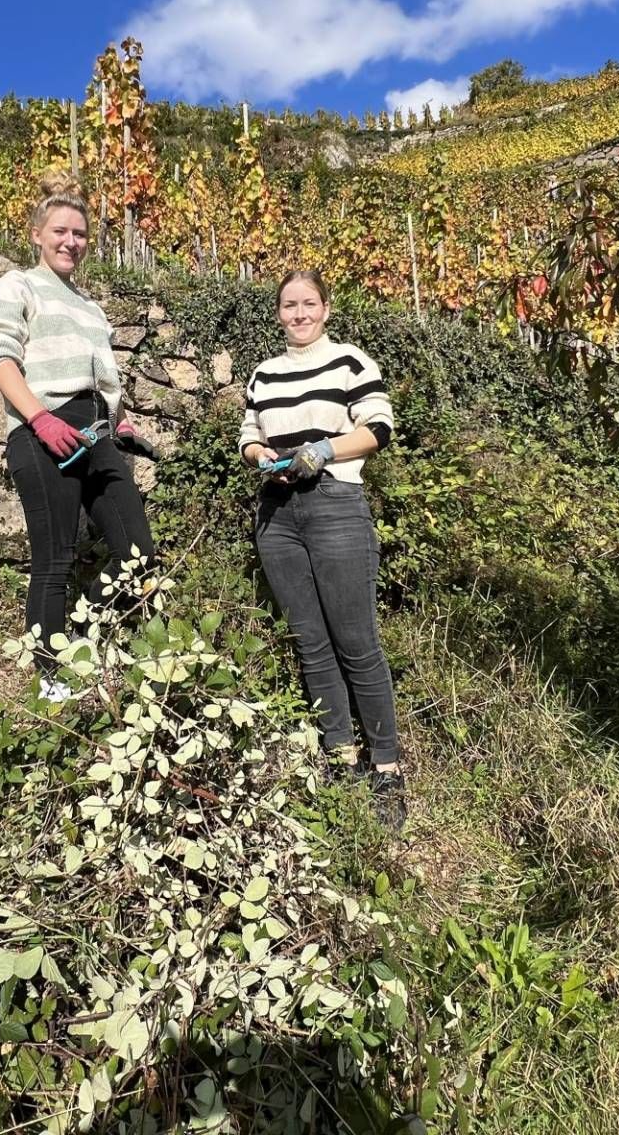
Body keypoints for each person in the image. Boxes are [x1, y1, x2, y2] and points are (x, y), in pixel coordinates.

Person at [238, 270, 406, 832]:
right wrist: (261, 455)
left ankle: (387, 767)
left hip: (335, 502)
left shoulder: (351, 363)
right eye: (289, 305)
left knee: (357, 643)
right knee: (310, 642)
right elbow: (249, 434)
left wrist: (324, 450)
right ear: (279, 312)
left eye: (309, 303)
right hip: (277, 512)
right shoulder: (264, 373)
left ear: (326, 309)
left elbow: (378, 428)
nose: (300, 313)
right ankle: (341, 758)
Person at [0, 178, 155, 701]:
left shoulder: (92, 308)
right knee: (55, 557)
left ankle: (80, 636)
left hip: (96, 433)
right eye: (60, 230)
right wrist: (40, 419)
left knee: (138, 555)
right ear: (36, 234)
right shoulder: (16, 286)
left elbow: (99, 379)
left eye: (79, 234)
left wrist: (117, 421)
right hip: (43, 429)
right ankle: (51, 676)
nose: (70, 241)